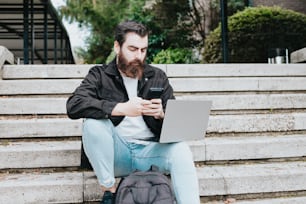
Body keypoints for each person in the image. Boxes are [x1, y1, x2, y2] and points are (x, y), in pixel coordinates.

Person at [66, 20, 200, 204]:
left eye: (143, 50)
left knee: (181, 149)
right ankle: (109, 191)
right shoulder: (99, 75)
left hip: (150, 152)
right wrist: (120, 109)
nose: (138, 56)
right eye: (132, 49)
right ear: (117, 47)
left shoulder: (157, 76)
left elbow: (175, 127)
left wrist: (162, 114)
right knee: (93, 124)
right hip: (114, 155)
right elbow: (74, 105)